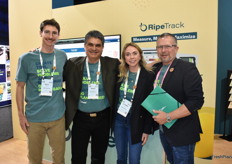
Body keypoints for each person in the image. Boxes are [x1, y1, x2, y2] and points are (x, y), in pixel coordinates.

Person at [63, 30, 120, 164]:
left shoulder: (112, 64)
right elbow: (56, 74)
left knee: (99, 157)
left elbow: (133, 66)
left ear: (102, 48)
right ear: (85, 46)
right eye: (90, 44)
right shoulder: (72, 64)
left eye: (98, 45)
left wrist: (155, 65)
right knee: (77, 156)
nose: (94, 48)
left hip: (103, 118)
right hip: (81, 118)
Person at [15, 19, 67, 164]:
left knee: (59, 159)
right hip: (34, 118)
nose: (51, 36)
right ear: (40, 33)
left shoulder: (62, 56)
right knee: (34, 159)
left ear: (58, 36)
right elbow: (19, 87)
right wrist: (20, 115)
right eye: (47, 32)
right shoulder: (26, 58)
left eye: (54, 33)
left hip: (57, 117)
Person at [152, 33, 204, 164]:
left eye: (168, 46)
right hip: (164, 130)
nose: (163, 50)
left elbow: (196, 101)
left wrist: (168, 116)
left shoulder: (188, 69)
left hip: (182, 132)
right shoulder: (156, 68)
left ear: (176, 48)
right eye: (160, 47)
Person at [114, 43, 156, 164]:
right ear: (124, 58)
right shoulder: (119, 74)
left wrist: (146, 130)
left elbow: (150, 104)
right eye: (127, 54)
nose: (131, 57)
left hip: (137, 121)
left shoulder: (148, 76)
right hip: (119, 120)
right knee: (121, 158)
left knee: (134, 160)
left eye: (134, 53)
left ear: (140, 55)